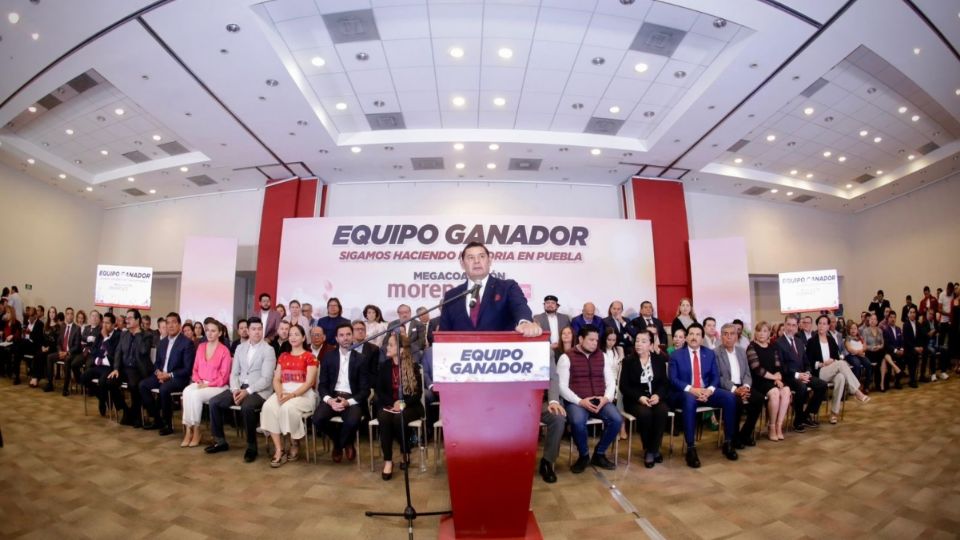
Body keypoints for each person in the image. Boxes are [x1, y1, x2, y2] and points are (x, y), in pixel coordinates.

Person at [206, 317, 277, 462]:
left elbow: (266, 378)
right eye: (253, 329)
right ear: (247, 331)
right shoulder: (240, 347)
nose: (257, 332)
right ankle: (220, 441)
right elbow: (234, 373)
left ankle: (252, 447)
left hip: (259, 390)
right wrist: (235, 389)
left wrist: (248, 391)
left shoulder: (268, 350)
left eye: (259, 329)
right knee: (214, 402)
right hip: (239, 387)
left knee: (247, 407)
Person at [668, 323, 739, 467]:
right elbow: (673, 380)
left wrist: (709, 390)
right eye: (691, 334)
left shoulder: (709, 353)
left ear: (702, 338)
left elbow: (715, 377)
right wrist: (692, 389)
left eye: (698, 335)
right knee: (689, 399)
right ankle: (691, 448)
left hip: (706, 392)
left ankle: (728, 442)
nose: (694, 337)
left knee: (730, 397)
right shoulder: (676, 355)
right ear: (686, 337)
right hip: (685, 393)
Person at [437, 242, 539, 336]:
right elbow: (444, 334)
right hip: (460, 354)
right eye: (470, 257)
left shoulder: (507, 287)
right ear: (462, 264)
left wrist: (525, 323)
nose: (476, 261)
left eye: (481, 256)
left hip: (501, 353)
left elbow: (520, 307)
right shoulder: (452, 295)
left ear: (489, 261)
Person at [557, 325, 622, 472]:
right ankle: (584, 455)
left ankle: (599, 454)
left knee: (617, 420)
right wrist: (580, 401)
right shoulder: (566, 357)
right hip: (577, 401)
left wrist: (606, 398)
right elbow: (561, 387)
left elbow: (611, 381)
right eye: (591, 340)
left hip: (600, 399)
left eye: (596, 340)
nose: (594, 343)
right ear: (580, 339)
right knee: (577, 421)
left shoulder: (602, 356)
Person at [260, 324, 318, 467]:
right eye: (290, 334)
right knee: (268, 406)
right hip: (283, 390)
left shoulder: (310, 357)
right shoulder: (283, 356)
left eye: (297, 334)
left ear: (304, 337)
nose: (292, 337)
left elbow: (310, 383)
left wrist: (291, 395)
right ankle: (279, 449)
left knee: (287, 408)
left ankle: (294, 442)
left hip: (303, 394)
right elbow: (276, 379)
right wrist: (279, 393)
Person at [312, 322, 370, 463]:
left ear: (353, 337)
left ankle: (339, 445)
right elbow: (323, 385)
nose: (345, 338)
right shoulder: (328, 357)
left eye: (348, 334)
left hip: (352, 398)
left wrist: (348, 402)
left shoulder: (361, 359)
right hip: (332, 397)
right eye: (341, 335)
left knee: (353, 421)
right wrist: (329, 400)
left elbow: (365, 390)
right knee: (317, 419)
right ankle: (343, 442)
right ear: (336, 339)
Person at [375, 332, 423, 480]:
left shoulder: (412, 367)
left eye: (390, 345)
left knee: (398, 419)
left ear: (401, 349)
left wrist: (402, 403)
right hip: (389, 405)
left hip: (410, 406)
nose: (386, 347)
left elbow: (417, 394)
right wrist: (392, 403)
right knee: (383, 418)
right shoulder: (384, 366)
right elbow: (379, 391)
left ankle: (405, 453)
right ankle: (388, 461)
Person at [619, 330, 668, 468]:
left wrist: (658, 395)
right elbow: (624, 386)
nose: (639, 344)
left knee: (661, 411)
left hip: (655, 398)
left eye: (643, 341)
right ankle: (651, 450)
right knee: (645, 414)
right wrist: (639, 397)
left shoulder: (658, 360)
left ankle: (653, 449)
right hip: (635, 400)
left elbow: (664, 383)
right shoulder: (628, 361)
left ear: (651, 345)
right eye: (637, 341)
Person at [807, 315, 870, 424]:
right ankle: (856, 391)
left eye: (824, 323)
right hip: (820, 372)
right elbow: (809, 362)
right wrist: (822, 364)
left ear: (828, 326)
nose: (822, 326)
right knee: (841, 364)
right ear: (817, 325)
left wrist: (833, 361)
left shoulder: (831, 340)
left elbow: (837, 356)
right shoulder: (812, 341)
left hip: (832, 370)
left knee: (840, 378)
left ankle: (834, 414)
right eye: (820, 323)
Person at [141, 313, 196, 435]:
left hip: (178, 378)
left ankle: (168, 424)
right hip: (161, 375)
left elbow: (187, 369)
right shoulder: (163, 342)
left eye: (173, 322)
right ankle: (157, 418)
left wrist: (169, 375)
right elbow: (157, 363)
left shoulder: (186, 343)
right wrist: (158, 373)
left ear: (179, 325)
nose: (170, 325)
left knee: (164, 389)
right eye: (168, 322)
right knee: (143, 385)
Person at [180, 318, 232, 448]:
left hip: (218, 386)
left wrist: (208, 384)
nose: (209, 333)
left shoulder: (224, 350)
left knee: (196, 395)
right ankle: (188, 430)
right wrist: (198, 380)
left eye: (213, 331)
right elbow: (195, 369)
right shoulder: (201, 347)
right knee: (187, 392)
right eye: (207, 330)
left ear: (219, 333)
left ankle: (197, 431)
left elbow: (224, 377)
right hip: (201, 382)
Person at [715, 323, 763, 448]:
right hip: (728, 388)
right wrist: (735, 389)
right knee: (736, 402)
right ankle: (734, 438)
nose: (729, 337)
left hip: (743, 385)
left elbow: (747, 372)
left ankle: (744, 434)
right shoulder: (715, 353)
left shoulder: (742, 351)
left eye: (732, 334)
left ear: (737, 336)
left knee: (758, 399)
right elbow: (719, 377)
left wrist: (746, 387)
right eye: (726, 334)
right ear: (721, 337)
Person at [776, 315, 826, 431]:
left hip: (803, 374)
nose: (790, 328)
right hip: (788, 377)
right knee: (801, 387)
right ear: (784, 325)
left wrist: (807, 372)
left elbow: (807, 362)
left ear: (797, 327)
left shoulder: (799, 342)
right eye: (788, 325)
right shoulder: (778, 343)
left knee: (822, 385)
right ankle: (798, 420)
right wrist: (798, 375)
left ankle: (806, 414)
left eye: (793, 325)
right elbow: (781, 366)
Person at [746, 322, 791, 441]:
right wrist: (775, 378)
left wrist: (778, 377)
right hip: (759, 381)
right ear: (755, 332)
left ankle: (779, 425)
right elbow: (757, 369)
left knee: (786, 390)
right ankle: (771, 426)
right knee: (775, 393)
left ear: (769, 333)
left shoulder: (773, 346)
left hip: (773, 378)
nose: (761, 334)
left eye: (765, 331)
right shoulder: (751, 347)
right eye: (759, 331)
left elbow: (778, 366)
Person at [113, 309, 152, 426]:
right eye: (126, 317)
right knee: (110, 382)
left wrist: (138, 334)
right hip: (124, 368)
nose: (127, 320)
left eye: (130, 318)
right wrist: (115, 368)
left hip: (138, 369)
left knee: (133, 384)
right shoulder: (124, 334)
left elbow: (143, 351)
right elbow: (118, 352)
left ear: (137, 320)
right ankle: (126, 410)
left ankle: (135, 415)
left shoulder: (147, 335)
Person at [80, 313, 122, 417]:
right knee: (83, 378)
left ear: (113, 325)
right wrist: (103, 354)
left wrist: (106, 338)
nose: (104, 325)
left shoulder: (118, 335)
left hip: (110, 367)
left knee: (103, 382)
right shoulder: (99, 334)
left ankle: (102, 402)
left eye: (107, 323)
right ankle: (103, 398)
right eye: (103, 322)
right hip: (99, 364)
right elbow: (93, 350)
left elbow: (113, 353)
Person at [539, 347, 567, 483]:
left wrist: (553, 400)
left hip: (541, 401)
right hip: (515, 402)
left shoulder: (547, 351)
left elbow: (553, 377)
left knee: (558, 417)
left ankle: (547, 462)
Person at [44, 307, 82, 395]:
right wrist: (60, 351)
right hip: (62, 351)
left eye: (71, 314)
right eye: (67, 314)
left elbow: (77, 346)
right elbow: (58, 342)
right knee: (49, 357)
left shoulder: (77, 329)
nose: (69, 316)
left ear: (73, 316)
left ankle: (65, 388)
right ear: (65, 315)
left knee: (67, 359)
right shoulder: (62, 327)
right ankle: (50, 384)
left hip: (71, 353)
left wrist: (67, 352)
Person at [882, 311, 908, 389]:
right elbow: (887, 344)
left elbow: (902, 341)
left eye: (894, 317)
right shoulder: (885, 330)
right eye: (891, 317)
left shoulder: (898, 329)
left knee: (905, 357)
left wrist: (902, 349)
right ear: (888, 318)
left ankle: (898, 381)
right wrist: (896, 351)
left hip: (899, 352)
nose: (893, 319)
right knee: (895, 358)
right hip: (890, 352)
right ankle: (886, 383)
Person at [844, 321, 873, 389]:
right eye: (851, 328)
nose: (853, 330)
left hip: (860, 354)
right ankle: (855, 387)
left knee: (868, 364)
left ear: (857, 330)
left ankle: (866, 386)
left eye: (855, 328)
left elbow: (865, 346)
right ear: (849, 330)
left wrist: (861, 351)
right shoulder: (848, 338)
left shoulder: (860, 338)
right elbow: (849, 349)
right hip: (851, 355)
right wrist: (859, 352)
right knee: (857, 364)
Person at [21, 307, 45, 387]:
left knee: (37, 355)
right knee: (17, 345)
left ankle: (35, 376)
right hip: (28, 345)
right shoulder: (28, 323)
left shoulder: (40, 324)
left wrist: (29, 333)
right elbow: (25, 335)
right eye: (29, 316)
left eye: (31, 316)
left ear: (35, 315)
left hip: (36, 345)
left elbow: (38, 338)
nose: (30, 318)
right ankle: (16, 374)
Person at [920, 307, 945, 382]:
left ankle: (943, 372)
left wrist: (935, 332)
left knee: (944, 350)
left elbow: (939, 332)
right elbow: (928, 335)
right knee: (933, 352)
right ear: (927, 314)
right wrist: (934, 330)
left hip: (935, 343)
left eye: (932, 314)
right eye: (930, 314)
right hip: (927, 344)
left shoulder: (936, 322)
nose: (931, 315)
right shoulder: (924, 323)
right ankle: (933, 374)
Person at [902, 307, 923, 388]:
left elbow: (920, 337)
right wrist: (915, 348)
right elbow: (906, 340)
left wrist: (920, 346)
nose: (913, 314)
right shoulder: (905, 324)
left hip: (916, 348)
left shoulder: (918, 324)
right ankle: (912, 380)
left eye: (914, 312)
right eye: (911, 312)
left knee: (922, 353)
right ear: (908, 314)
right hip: (908, 348)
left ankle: (918, 377)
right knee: (912, 357)